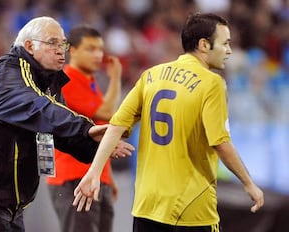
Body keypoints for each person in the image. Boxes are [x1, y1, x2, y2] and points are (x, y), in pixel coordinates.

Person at [0, 16, 134, 232]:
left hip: (7, 200)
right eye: (53, 43)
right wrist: (86, 128)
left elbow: (57, 131)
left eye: (63, 43)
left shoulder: (49, 81)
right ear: (29, 46)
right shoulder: (9, 73)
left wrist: (96, 143)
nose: (61, 50)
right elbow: (40, 109)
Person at [73, 13, 265, 232]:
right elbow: (220, 142)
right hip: (191, 208)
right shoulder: (212, 83)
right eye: (225, 43)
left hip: (147, 205)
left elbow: (116, 126)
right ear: (204, 45)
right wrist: (248, 183)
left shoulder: (151, 75)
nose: (229, 50)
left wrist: (93, 172)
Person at [46, 25, 122, 232]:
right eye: (90, 49)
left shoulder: (89, 82)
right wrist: (116, 78)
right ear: (73, 50)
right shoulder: (66, 80)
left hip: (95, 176)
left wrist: (108, 177)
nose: (98, 55)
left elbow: (99, 128)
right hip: (73, 176)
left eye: (100, 49)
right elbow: (106, 114)